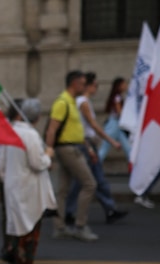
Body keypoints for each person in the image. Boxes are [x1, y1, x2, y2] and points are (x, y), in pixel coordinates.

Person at [64, 71, 128, 226]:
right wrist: (111, 141)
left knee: (85, 181)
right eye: (95, 85)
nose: (97, 88)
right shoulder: (83, 103)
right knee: (95, 180)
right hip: (85, 144)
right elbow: (92, 125)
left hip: (85, 143)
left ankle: (69, 211)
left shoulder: (81, 101)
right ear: (87, 86)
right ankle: (71, 211)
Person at [1, 99, 57, 264]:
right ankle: (24, 263)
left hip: (13, 183)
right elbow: (37, 163)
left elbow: (2, 162)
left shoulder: (11, 131)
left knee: (18, 223)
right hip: (28, 186)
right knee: (30, 225)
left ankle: (16, 256)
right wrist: (48, 155)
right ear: (37, 117)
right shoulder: (30, 135)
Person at [45, 70, 98, 242]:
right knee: (90, 184)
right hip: (68, 150)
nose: (85, 87)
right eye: (82, 83)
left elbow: (74, 129)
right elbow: (52, 128)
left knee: (63, 189)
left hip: (73, 147)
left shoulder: (72, 102)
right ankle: (80, 226)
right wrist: (49, 151)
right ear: (74, 83)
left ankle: (59, 226)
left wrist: (87, 146)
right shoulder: (62, 102)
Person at [97, 77, 131, 162]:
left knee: (128, 147)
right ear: (119, 86)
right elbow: (119, 112)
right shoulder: (117, 97)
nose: (126, 86)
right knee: (104, 147)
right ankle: (95, 166)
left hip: (117, 124)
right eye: (124, 84)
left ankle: (133, 166)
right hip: (114, 124)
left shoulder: (117, 97)